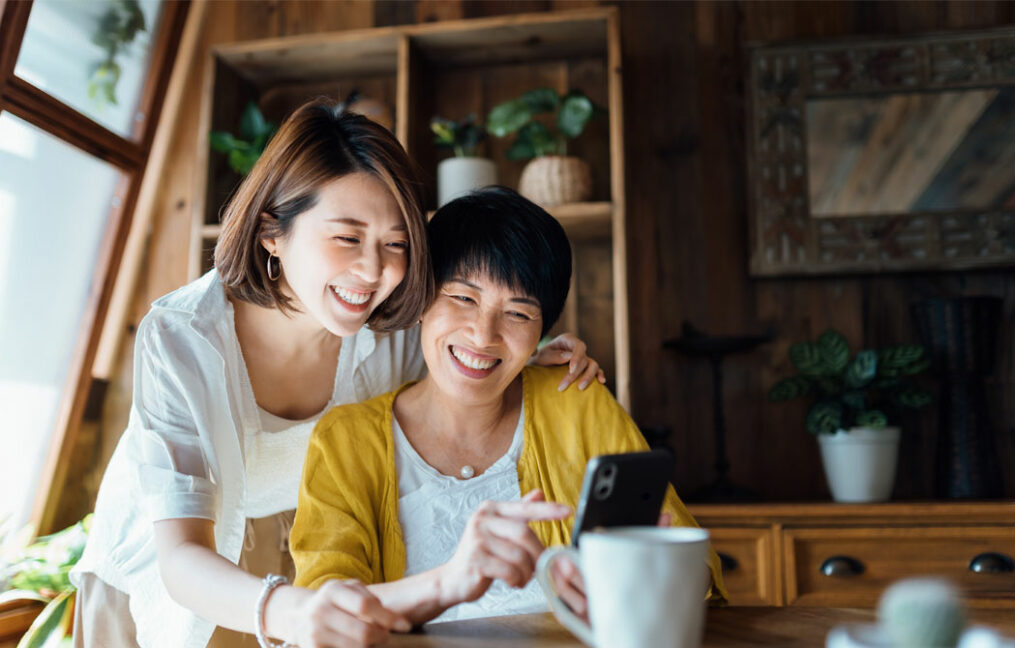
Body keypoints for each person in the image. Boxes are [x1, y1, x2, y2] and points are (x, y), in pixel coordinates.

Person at [70, 102, 603, 648]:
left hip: (305, 554)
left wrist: (533, 359)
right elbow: (182, 556)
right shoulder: (182, 338)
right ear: (270, 232)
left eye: (395, 243)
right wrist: (293, 611)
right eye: (347, 238)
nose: (374, 272)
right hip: (169, 566)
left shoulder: (391, 328)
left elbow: (466, 356)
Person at [290, 187, 727, 630]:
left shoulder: (577, 405)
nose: (483, 336)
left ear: (543, 328)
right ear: (421, 298)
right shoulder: (345, 441)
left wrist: (649, 576)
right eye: (463, 298)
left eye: (518, 314)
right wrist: (447, 581)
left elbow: (698, 564)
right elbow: (322, 610)